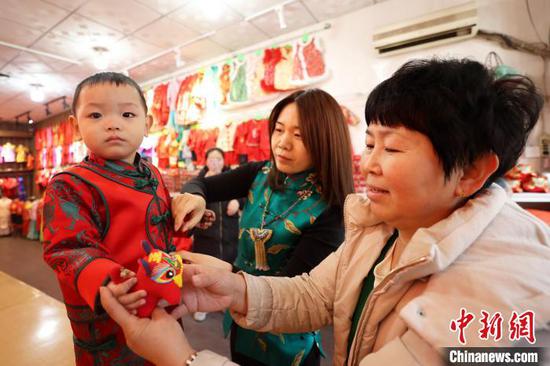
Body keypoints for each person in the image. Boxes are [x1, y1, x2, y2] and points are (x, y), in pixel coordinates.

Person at [100, 58, 550, 366]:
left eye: (391, 147)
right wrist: (234, 289)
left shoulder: (504, 300)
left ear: (470, 172)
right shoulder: (383, 228)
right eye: (370, 143)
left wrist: (183, 358)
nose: (370, 163)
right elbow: (316, 295)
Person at [172, 88, 355, 366]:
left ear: (325, 141)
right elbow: (201, 183)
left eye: (299, 135)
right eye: (279, 130)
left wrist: (223, 272)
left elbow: (288, 290)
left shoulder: (330, 208)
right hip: (240, 320)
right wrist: (196, 198)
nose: (282, 143)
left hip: (289, 339)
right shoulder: (261, 173)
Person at [42, 72, 190, 366]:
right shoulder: (69, 184)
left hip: (161, 294)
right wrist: (108, 280)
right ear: (76, 127)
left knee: (168, 354)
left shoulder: (152, 172)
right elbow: (68, 247)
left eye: (127, 113)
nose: (112, 123)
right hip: (109, 306)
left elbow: (160, 222)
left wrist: (185, 216)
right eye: (96, 114)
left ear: (147, 125)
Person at [192, 147, 241, 322]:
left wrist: (238, 201)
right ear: (206, 161)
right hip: (206, 237)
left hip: (229, 235)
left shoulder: (233, 180)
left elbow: (246, 196)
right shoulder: (198, 182)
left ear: (224, 161)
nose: (215, 162)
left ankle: (223, 304)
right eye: (211, 158)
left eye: (219, 159)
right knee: (205, 271)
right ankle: (201, 306)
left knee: (227, 270)